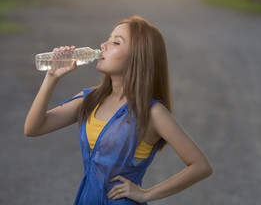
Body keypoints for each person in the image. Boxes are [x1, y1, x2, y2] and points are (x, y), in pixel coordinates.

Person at [24, 16, 213, 204]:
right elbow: (33, 129)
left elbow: (201, 166)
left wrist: (147, 193)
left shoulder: (152, 112)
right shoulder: (90, 99)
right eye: (108, 38)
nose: (103, 45)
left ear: (138, 56)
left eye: (116, 42)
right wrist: (51, 78)